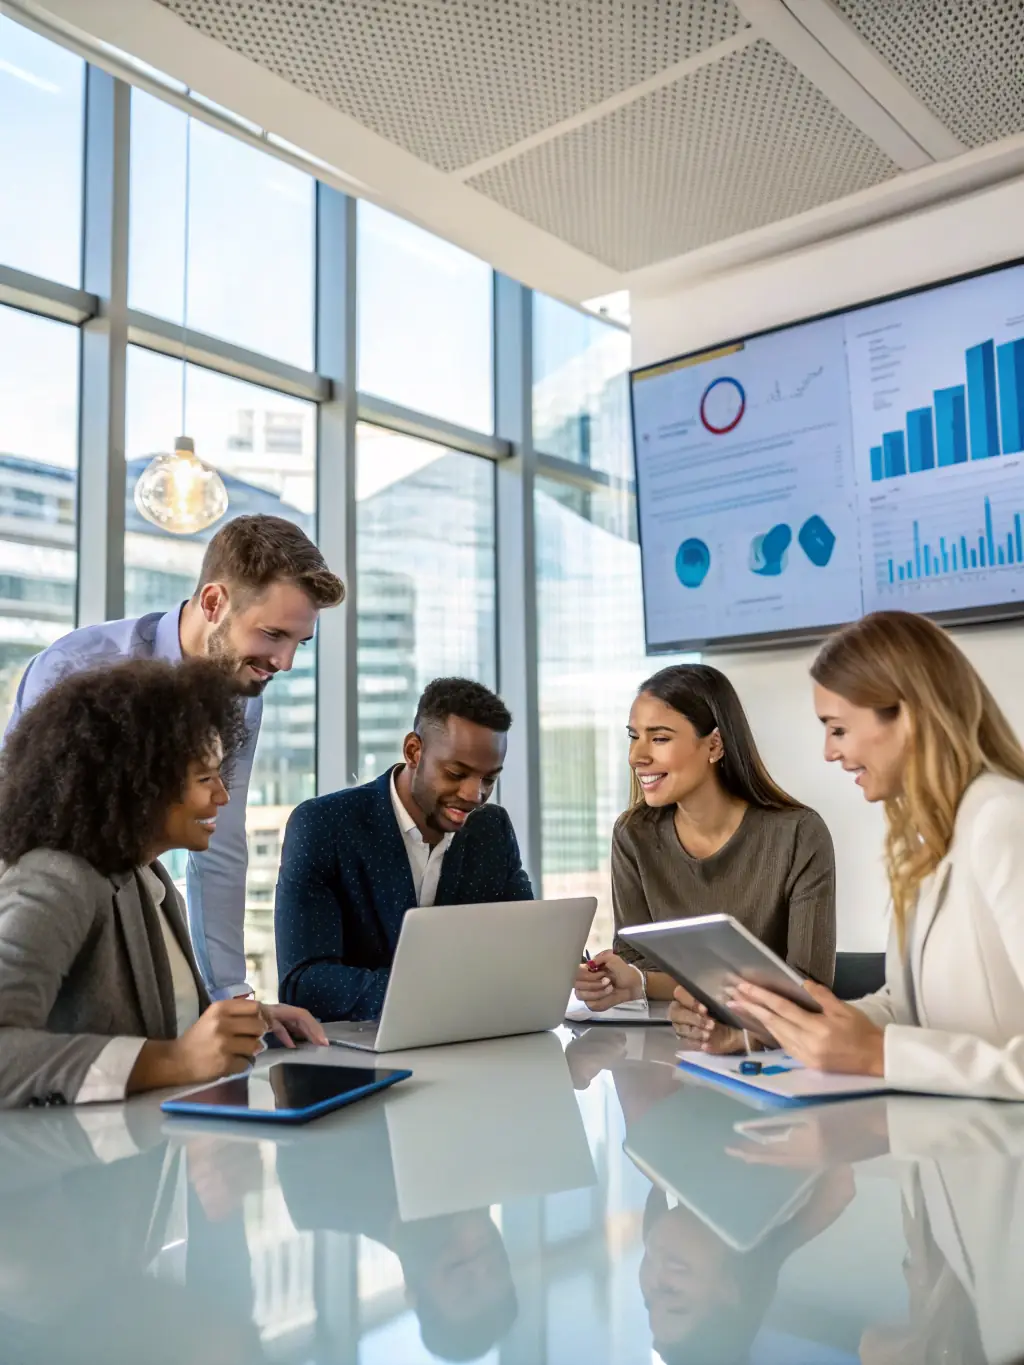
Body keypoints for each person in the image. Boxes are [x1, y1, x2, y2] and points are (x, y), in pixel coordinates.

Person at [3, 514, 344, 997]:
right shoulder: (79, 668)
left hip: (144, 917)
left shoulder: (242, 695)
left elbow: (221, 841)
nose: (284, 662)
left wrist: (230, 993)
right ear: (213, 601)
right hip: (48, 918)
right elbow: (20, 822)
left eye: (298, 643)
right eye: (272, 634)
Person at [0, 658, 327, 1110]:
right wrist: (173, 1060)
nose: (223, 796)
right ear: (139, 784)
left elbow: (158, 1016)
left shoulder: (146, 875)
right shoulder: (58, 878)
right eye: (204, 778)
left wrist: (245, 1023)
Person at [726, 609, 1024, 1101]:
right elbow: (909, 1010)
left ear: (907, 715)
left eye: (838, 728)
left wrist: (880, 1055)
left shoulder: (1002, 819)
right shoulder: (926, 838)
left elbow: (896, 1047)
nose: (828, 751)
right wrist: (785, 1027)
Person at [573, 664, 836, 1054]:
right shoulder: (633, 835)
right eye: (634, 737)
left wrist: (659, 983)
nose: (636, 756)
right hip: (670, 1051)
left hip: (770, 1057)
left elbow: (808, 986)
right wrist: (627, 980)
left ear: (714, 745)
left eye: (659, 738)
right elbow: (636, 961)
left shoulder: (798, 833)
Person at [275, 677, 533, 1022]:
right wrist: (435, 993)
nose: (475, 795)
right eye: (457, 773)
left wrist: (576, 972)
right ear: (414, 751)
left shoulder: (491, 829)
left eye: (489, 779)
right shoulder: (324, 825)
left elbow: (528, 947)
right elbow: (305, 983)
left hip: (471, 1047)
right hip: (357, 1058)